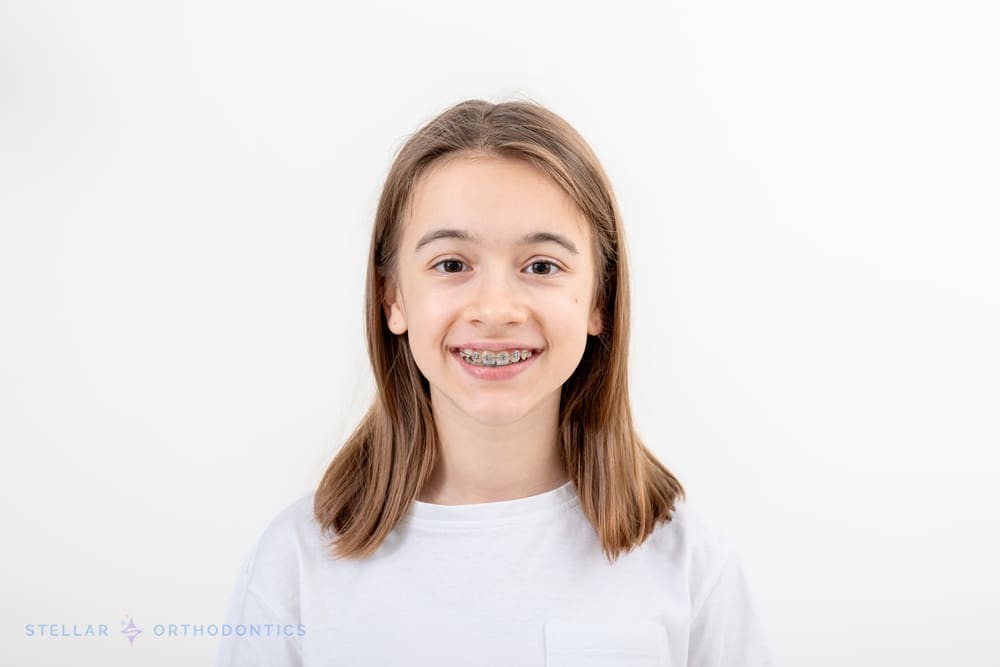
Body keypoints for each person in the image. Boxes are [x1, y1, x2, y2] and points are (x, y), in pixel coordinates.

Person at [214, 98, 775, 666]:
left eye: (541, 266)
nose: (496, 308)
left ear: (598, 301)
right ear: (393, 298)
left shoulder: (688, 567)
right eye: (452, 265)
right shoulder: (296, 566)